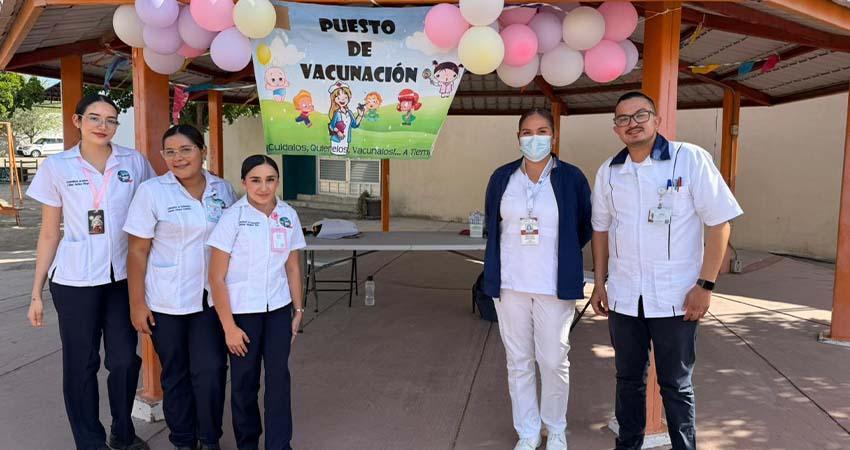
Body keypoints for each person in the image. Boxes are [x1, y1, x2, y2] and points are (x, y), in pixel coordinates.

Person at [589, 91, 743, 450]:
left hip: (677, 298)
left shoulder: (688, 160)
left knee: (676, 385)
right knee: (627, 380)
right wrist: (599, 284)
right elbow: (600, 229)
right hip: (626, 298)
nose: (633, 123)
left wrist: (705, 285)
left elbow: (719, 223)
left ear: (657, 121)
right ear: (616, 129)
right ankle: (627, 445)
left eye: (640, 114)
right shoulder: (610, 172)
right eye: (623, 119)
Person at [25, 94, 155, 450]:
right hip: (74, 280)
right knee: (81, 364)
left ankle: (122, 431)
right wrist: (36, 291)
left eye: (111, 120)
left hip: (122, 280)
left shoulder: (134, 162)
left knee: (125, 360)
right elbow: (50, 231)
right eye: (95, 118)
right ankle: (90, 441)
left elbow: (152, 213)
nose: (103, 126)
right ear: (77, 120)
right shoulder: (57, 167)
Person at [482, 108, 592, 450]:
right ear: (518, 138)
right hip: (510, 285)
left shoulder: (571, 177)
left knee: (554, 359)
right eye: (527, 132)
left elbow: (584, 226)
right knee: (518, 361)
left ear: (553, 136)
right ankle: (528, 432)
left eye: (542, 130)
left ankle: (555, 428)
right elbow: (492, 223)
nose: (534, 138)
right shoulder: (503, 178)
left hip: (553, 286)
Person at [123, 125, 237, 450]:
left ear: (202, 150)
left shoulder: (223, 189)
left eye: (186, 149)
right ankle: (184, 440)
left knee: (212, 370)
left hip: (210, 300)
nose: (178, 157)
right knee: (175, 375)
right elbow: (137, 251)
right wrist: (136, 304)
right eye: (170, 152)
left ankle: (209, 437)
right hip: (166, 300)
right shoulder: (152, 192)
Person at [207, 155, 306, 450]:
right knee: (244, 382)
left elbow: (293, 267)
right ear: (244, 183)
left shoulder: (287, 214)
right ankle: (247, 443)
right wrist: (229, 328)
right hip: (241, 315)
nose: (263, 187)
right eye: (256, 180)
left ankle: (279, 444)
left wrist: (298, 310)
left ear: (277, 181)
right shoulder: (232, 218)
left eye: (270, 180)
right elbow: (216, 277)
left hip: (277, 310)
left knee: (278, 379)